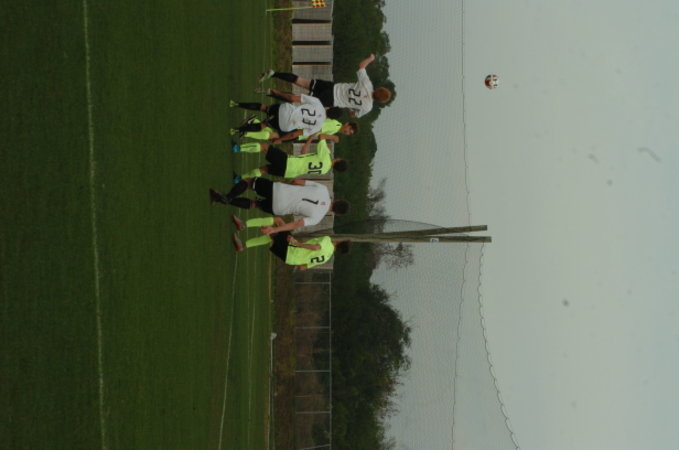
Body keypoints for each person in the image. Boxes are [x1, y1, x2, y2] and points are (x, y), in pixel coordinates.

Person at [259, 53, 391, 118]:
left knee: (301, 81)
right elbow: (354, 115)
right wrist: (350, 107)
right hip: (331, 100)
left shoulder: (367, 84)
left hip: (332, 87)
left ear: (379, 89)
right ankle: (269, 91)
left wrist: (370, 58)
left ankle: (274, 74)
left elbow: (361, 65)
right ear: (379, 101)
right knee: (298, 98)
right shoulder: (368, 107)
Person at [209, 177, 349, 234]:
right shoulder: (318, 218)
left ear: (337, 200)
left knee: (250, 182)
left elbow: (297, 181)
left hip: (280, 190)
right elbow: (296, 224)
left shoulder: (324, 190)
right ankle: (225, 200)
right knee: (255, 204)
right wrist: (274, 229)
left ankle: (227, 197)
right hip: (280, 208)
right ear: (336, 213)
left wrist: (287, 186)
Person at [231, 137, 347, 183]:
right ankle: (239, 179)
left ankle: (237, 148)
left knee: (265, 147)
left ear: (338, 160)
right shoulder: (325, 171)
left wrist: (330, 137)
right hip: (290, 173)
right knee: (264, 169)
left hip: (290, 162)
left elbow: (321, 137)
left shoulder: (326, 156)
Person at [228, 93, 328, 142]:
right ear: (331, 118)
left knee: (264, 108)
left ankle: (236, 104)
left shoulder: (318, 103)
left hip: (285, 110)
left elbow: (292, 98)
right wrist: (280, 139)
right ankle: (236, 130)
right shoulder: (318, 127)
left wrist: (276, 93)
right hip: (286, 124)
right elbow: (294, 134)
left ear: (329, 108)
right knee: (264, 125)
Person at [231, 229, 351, 270]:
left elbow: (316, 247)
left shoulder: (327, 241)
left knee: (278, 226)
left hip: (292, 250)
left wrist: (297, 243)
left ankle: (244, 230)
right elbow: (303, 267)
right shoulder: (326, 258)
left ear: (340, 241)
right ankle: (243, 245)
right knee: (272, 239)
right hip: (290, 260)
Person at [237, 116, 358, 142]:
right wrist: (308, 142)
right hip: (301, 131)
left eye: (349, 133)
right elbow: (318, 130)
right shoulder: (335, 126)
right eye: (349, 129)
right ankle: (247, 132)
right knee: (274, 136)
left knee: (274, 135)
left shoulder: (336, 127)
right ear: (347, 124)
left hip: (302, 132)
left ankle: (254, 122)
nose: (347, 132)